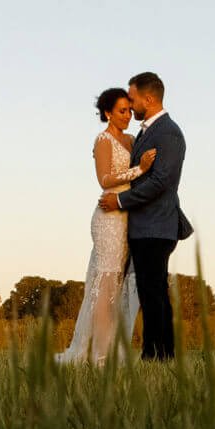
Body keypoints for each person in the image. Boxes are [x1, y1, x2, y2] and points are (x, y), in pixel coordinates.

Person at [97, 71, 194, 360]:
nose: (131, 102)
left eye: (134, 98)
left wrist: (121, 201)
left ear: (148, 99)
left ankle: (159, 354)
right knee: (149, 291)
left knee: (153, 292)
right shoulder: (145, 132)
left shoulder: (168, 133)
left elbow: (161, 181)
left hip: (156, 225)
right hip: (143, 226)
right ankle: (156, 352)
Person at [55, 87, 148, 364]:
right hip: (108, 221)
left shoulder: (132, 140)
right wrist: (139, 169)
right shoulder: (103, 140)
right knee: (106, 284)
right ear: (108, 113)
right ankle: (99, 355)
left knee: (117, 285)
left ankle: (111, 347)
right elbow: (105, 180)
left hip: (127, 218)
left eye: (130, 110)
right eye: (122, 111)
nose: (128, 115)